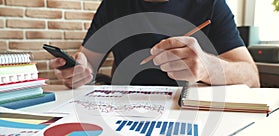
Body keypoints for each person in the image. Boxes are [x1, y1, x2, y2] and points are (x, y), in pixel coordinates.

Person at [50, 0, 260, 89]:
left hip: (188, 114)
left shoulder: (210, 4)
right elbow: (88, 64)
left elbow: (252, 77)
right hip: (123, 112)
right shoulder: (114, 4)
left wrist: (207, 68)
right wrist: (77, 72)